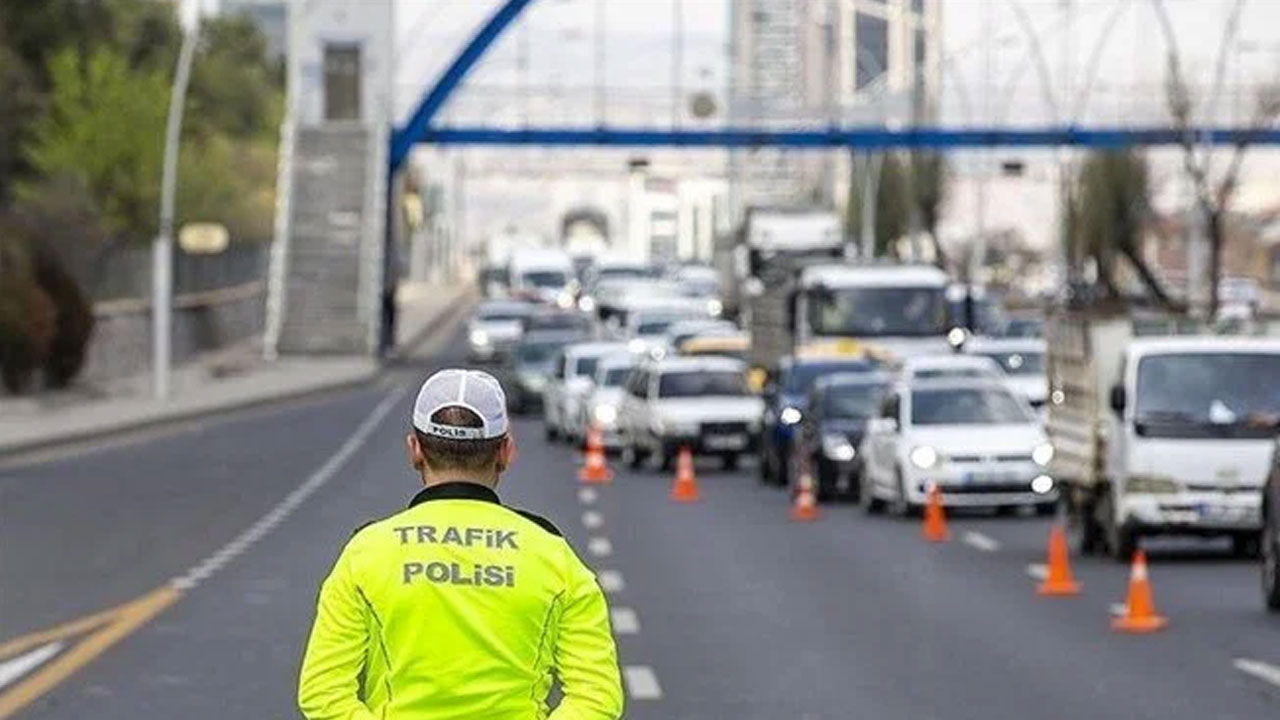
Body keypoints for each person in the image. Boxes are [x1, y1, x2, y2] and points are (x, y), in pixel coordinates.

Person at [298, 369, 624, 720]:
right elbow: (597, 697)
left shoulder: (367, 553)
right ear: (506, 452)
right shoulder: (553, 555)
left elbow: (322, 693)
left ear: (415, 450)